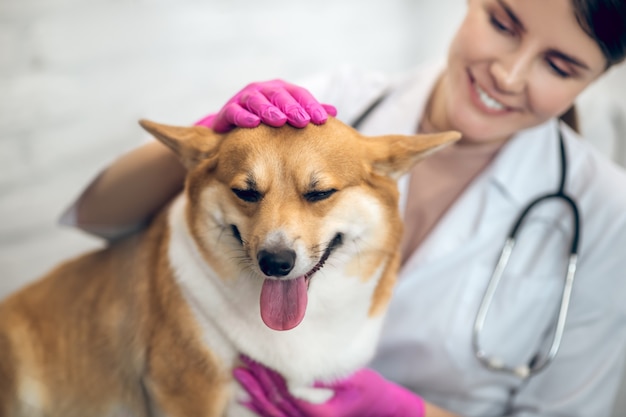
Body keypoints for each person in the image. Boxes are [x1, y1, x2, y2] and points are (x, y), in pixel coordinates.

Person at [62, 0, 626, 416]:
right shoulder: (338, 103)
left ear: (598, 80)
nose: (507, 75)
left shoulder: (605, 212)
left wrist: (399, 412)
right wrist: (213, 138)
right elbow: (100, 215)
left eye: (559, 66)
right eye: (502, 23)